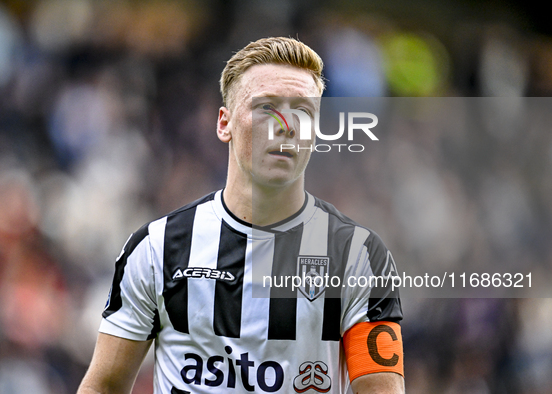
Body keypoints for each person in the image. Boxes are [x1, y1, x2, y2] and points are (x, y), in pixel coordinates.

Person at [77, 37, 404, 394]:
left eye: (304, 112)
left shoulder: (358, 256)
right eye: (266, 107)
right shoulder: (156, 249)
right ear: (225, 123)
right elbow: (103, 386)